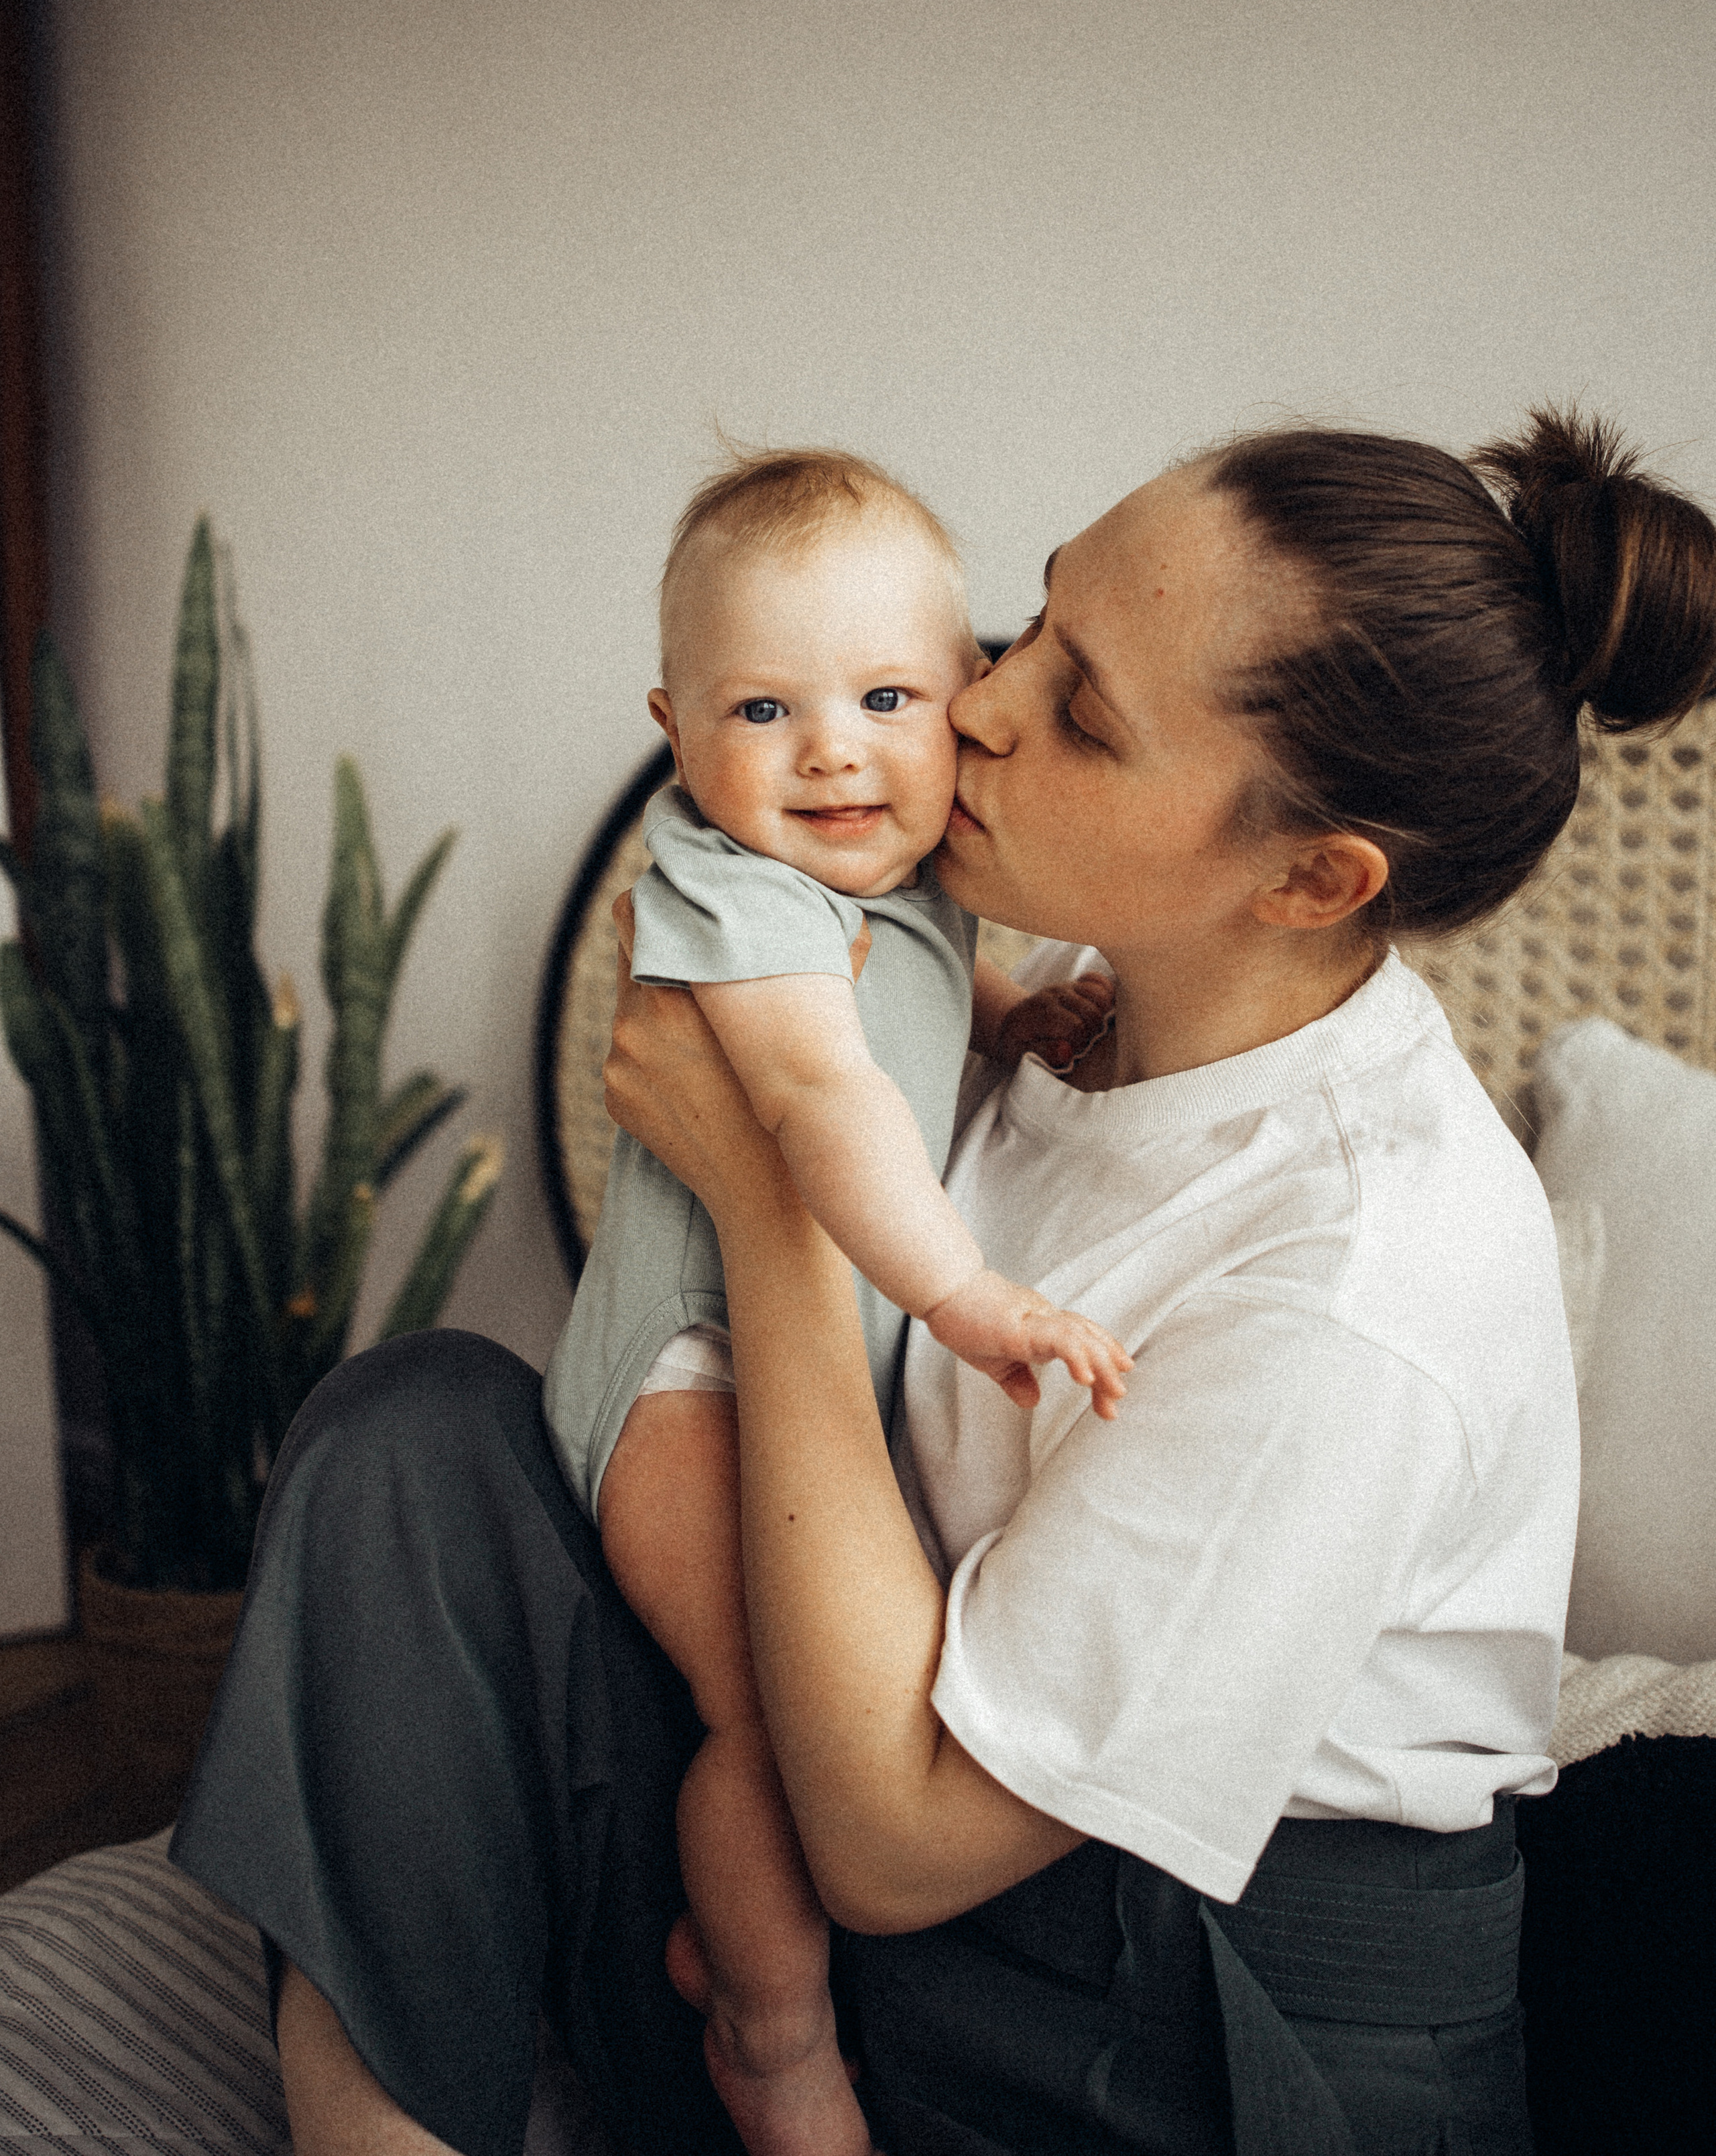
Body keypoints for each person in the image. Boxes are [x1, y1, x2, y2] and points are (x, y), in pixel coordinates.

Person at [173, 406, 1716, 2156]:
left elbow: (895, 1852)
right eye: (1040, 622)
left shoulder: (1353, 1290)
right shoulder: (1067, 1001)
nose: (975, 702)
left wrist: (775, 1214)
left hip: (1172, 2023)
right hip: (877, 1833)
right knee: (414, 1433)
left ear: (1311, 877)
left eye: (1083, 710)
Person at [541, 448, 1128, 2153]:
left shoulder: (924, 881)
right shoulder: (727, 888)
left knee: (822, 1691)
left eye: (886, 695)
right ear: (673, 725)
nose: (830, 751)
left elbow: (948, 1005)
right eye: (759, 710)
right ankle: (774, 2042)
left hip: (791, 1369)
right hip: (681, 1380)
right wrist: (959, 1295)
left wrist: (1011, 1025)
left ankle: (713, 1933)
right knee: (768, 1719)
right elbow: (817, 1095)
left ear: (962, 701)